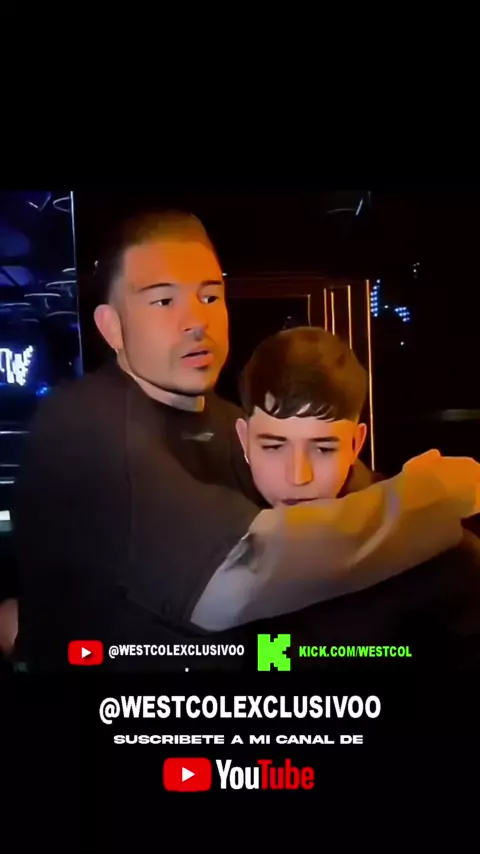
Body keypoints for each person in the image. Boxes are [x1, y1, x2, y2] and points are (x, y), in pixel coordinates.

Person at [12, 210, 480, 671]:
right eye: (164, 301)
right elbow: (237, 577)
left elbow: (341, 492)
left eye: (210, 297)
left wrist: (425, 506)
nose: (196, 321)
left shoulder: (227, 420)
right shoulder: (85, 427)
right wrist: (429, 499)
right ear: (112, 326)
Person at [232, 326, 480, 666]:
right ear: (244, 440)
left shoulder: (441, 561)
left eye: (323, 448)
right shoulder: (215, 534)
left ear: (356, 443)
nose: (298, 476)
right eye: (274, 446)